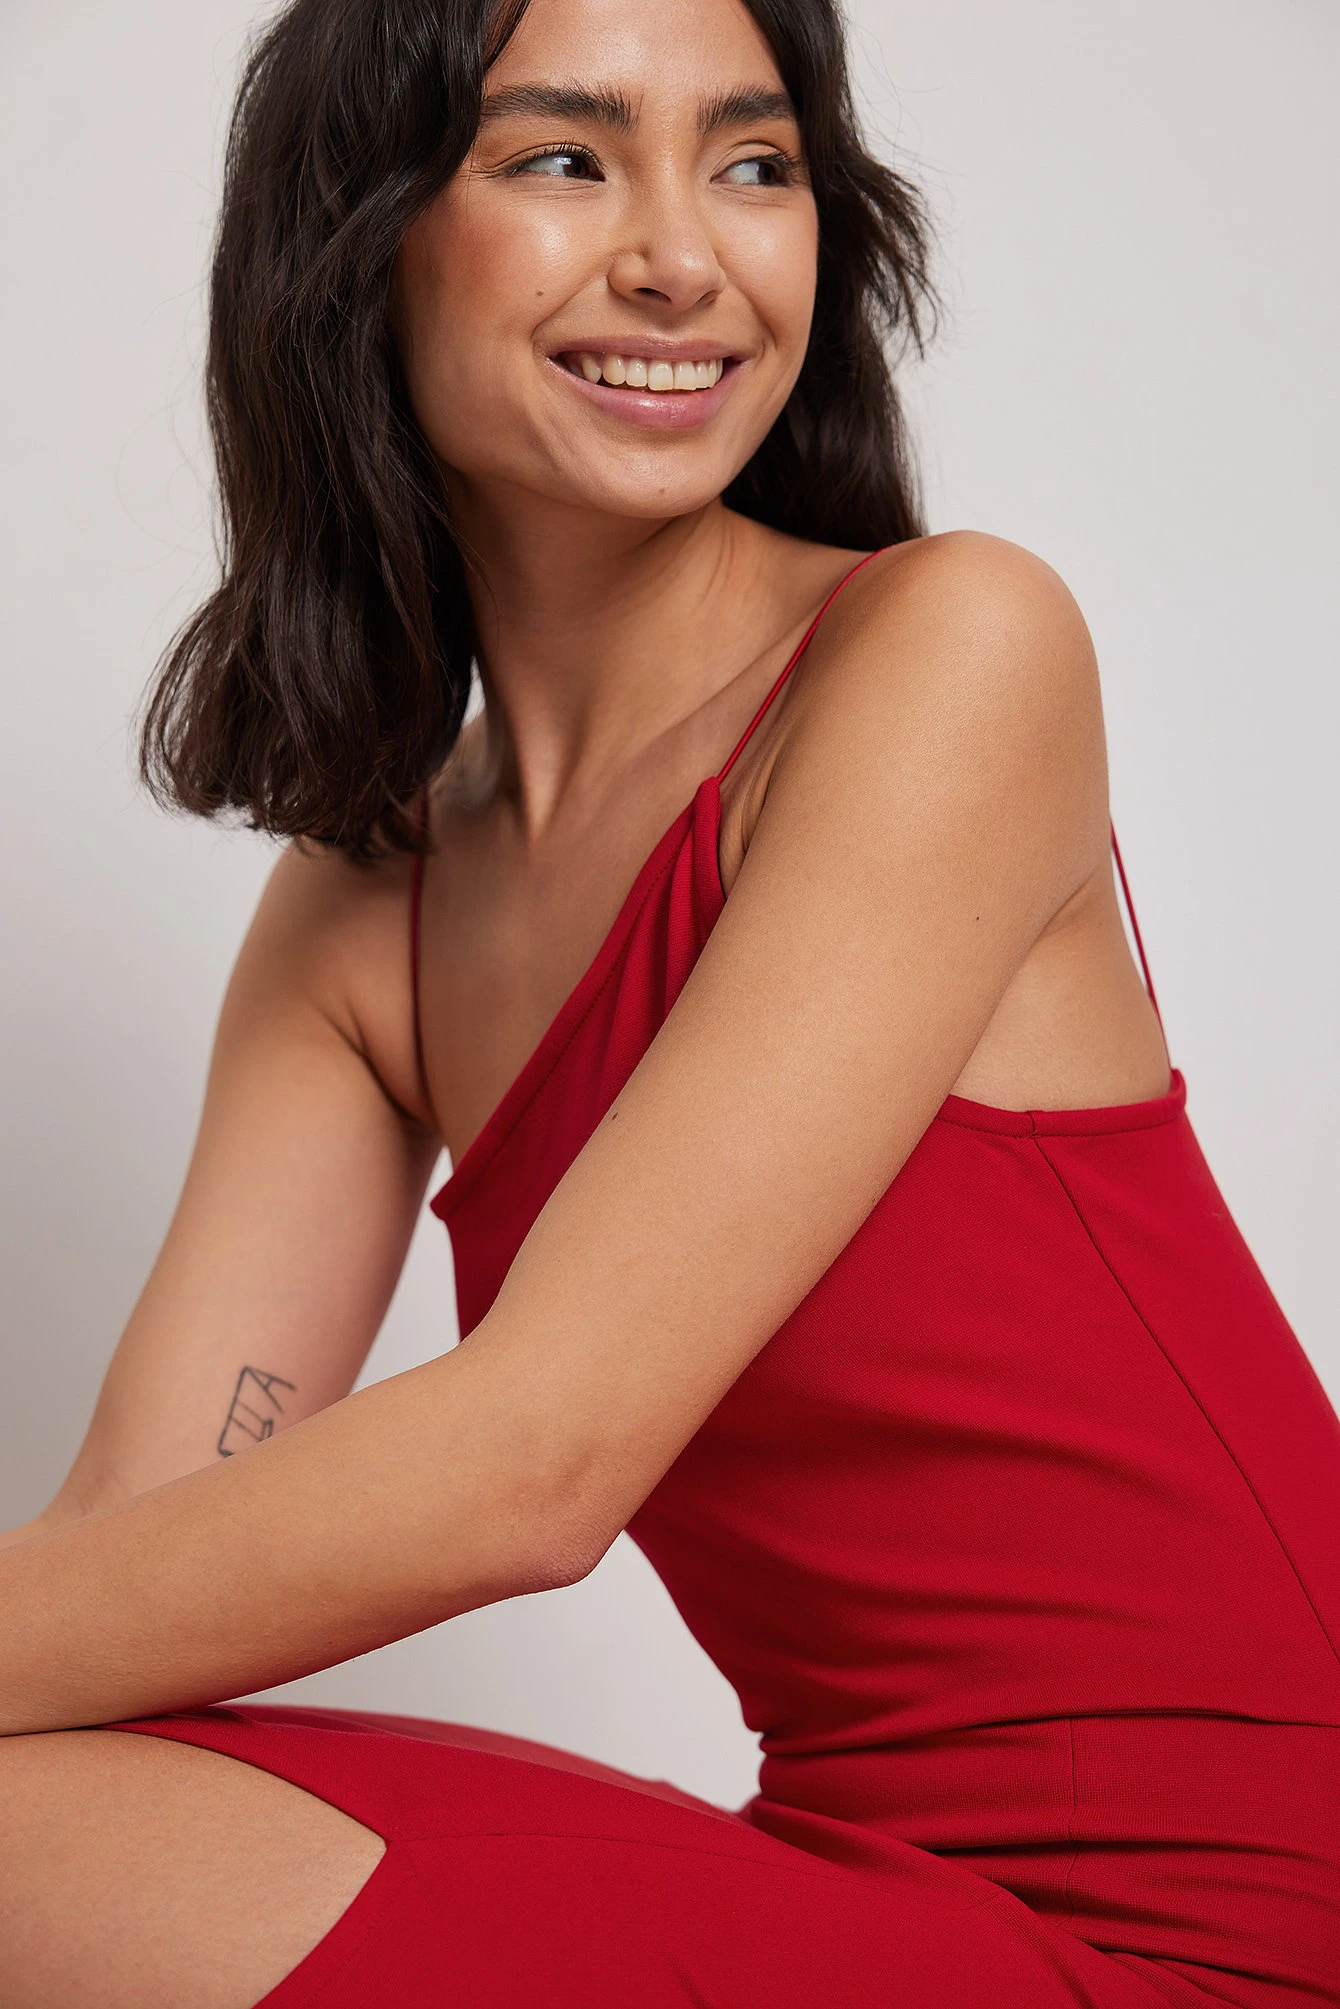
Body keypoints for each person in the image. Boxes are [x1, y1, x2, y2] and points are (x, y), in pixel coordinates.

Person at [1, 0, 1336, 2001]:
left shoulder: (948, 651)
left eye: (754, 162)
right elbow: (150, 1541)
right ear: (358, 243)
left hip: (1220, 1930)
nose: (683, 257)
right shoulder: (366, 910)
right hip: (863, 1889)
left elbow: (537, 1458)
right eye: (563, 157)